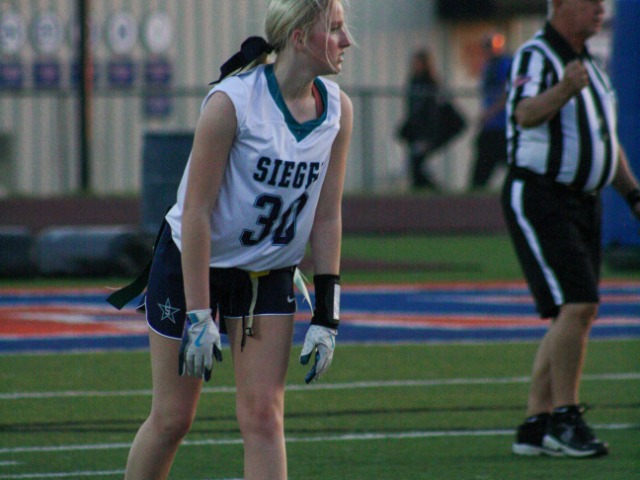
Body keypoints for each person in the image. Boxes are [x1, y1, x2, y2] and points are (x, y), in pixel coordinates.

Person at [119, 1, 353, 478]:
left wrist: (327, 314)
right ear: (300, 38)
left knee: (264, 416)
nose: (347, 40)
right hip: (193, 265)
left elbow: (327, 216)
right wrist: (199, 314)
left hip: (267, 272)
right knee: (172, 418)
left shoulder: (337, 111)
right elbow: (196, 213)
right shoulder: (233, 101)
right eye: (335, 29)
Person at [502, 0, 640, 458]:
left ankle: (536, 423)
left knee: (573, 310)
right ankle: (565, 417)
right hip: (542, 192)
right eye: (589, 1)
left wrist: (633, 194)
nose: (601, 8)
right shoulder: (537, 55)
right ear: (560, 4)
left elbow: (605, 143)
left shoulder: (592, 66)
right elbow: (524, 113)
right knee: (578, 304)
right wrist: (563, 89)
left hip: (584, 200)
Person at [470, 33, 512, 189]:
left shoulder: (505, 64)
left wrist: (490, 112)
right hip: (491, 126)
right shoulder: (488, 66)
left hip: (503, 126)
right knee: (480, 175)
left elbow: (508, 92)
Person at [398, 50, 441, 189]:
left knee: (417, 162)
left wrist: (427, 134)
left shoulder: (430, 83)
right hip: (415, 129)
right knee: (415, 163)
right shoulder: (413, 81)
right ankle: (423, 187)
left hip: (426, 130)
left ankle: (432, 188)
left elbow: (431, 110)